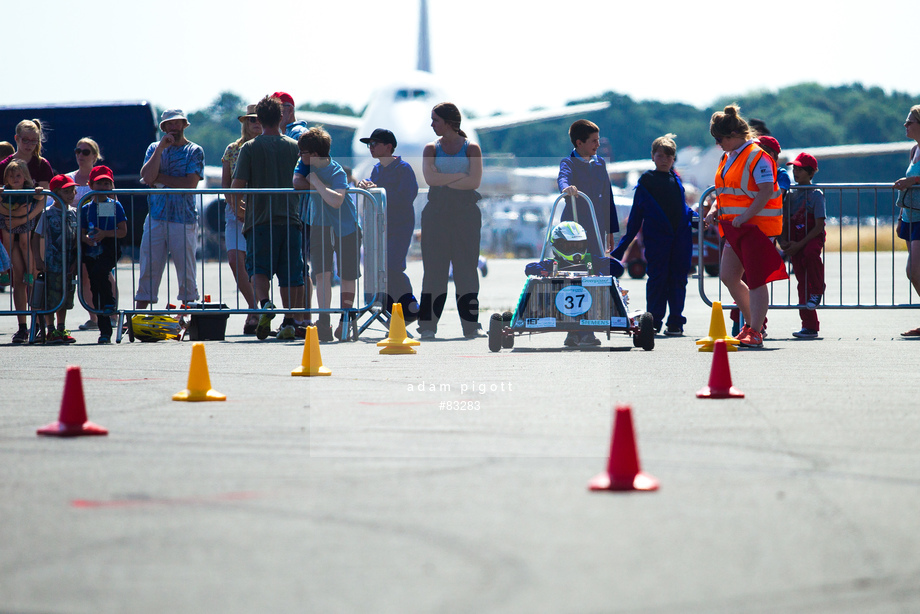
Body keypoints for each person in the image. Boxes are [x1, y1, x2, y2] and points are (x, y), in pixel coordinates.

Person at [704, 104, 786, 349]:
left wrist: (746, 215)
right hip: (735, 227)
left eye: (719, 139)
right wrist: (714, 209)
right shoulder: (727, 156)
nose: (718, 143)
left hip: (757, 228)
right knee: (728, 276)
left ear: (733, 136)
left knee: (756, 280)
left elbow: (766, 191)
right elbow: (725, 191)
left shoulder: (757, 155)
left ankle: (756, 331)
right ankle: (752, 325)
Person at [231, 95, 303, 341]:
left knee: (258, 270)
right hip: (290, 218)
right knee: (291, 274)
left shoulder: (249, 148)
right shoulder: (294, 147)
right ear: (281, 116)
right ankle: (290, 320)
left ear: (259, 119)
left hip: (260, 220)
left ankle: (265, 304)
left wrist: (237, 210)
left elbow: (236, 185)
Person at [611, 133, 692, 337]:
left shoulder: (676, 179)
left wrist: (698, 216)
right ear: (653, 156)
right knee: (657, 279)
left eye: (669, 156)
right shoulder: (647, 180)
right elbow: (636, 216)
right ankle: (654, 320)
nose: (664, 159)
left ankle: (675, 321)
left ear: (674, 158)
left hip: (680, 239)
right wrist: (621, 248)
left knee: (679, 279)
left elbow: (682, 208)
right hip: (657, 240)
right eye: (660, 155)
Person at [417, 102, 485, 340]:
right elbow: (430, 179)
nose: (432, 124)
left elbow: (474, 181)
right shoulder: (430, 148)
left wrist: (444, 178)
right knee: (433, 271)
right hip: (437, 213)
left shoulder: (471, 148)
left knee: (466, 270)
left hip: (465, 214)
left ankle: (471, 325)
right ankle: (427, 325)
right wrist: (458, 176)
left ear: (448, 122)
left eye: (435, 120)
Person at [295, 127, 360, 342]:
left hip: (346, 225)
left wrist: (316, 183)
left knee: (347, 274)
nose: (299, 156)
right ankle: (324, 321)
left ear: (314, 154)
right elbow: (296, 182)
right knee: (322, 273)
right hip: (320, 225)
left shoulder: (336, 171)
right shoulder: (304, 165)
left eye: (303, 151)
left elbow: (337, 200)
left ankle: (346, 319)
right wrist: (318, 186)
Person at [135, 109, 203, 310]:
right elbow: (147, 177)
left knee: (186, 272)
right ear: (163, 128)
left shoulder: (194, 151)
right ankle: (138, 314)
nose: (173, 127)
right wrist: (160, 150)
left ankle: (189, 314)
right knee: (148, 268)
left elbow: (190, 183)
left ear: (184, 125)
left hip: (184, 219)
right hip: (156, 216)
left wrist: (161, 179)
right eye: (169, 124)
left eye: (177, 123)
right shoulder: (154, 148)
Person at [356, 128, 420, 321]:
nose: (371, 148)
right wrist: (366, 187)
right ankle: (395, 312)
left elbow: (407, 196)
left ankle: (411, 308)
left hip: (400, 227)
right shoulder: (376, 169)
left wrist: (380, 190)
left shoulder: (403, 168)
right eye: (369, 144)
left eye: (374, 144)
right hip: (381, 227)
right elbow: (375, 192)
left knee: (392, 266)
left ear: (388, 146)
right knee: (382, 268)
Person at [65, 137, 113, 332]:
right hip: (76, 233)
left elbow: (111, 204)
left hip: (100, 232)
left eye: (85, 152)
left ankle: (111, 313)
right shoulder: (69, 178)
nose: (80, 155)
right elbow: (57, 203)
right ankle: (93, 316)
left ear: (95, 156)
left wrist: (105, 231)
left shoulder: (103, 178)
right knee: (84, 274)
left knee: (106, 272)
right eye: (78, 151)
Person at [221, 104, 261, 334]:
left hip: (262, 210)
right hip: (235, 209)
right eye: (251, 119)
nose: (255, 123)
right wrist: (235, 206)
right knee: (236, 259)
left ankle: (264, 310)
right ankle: (254, 307)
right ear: (245, 122)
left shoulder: (267, 146)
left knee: (258, 265)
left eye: (259, 119)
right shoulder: (232, 148)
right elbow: (225, 183)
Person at [557, 119, 619, 258]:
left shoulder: (600, 163)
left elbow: (608, 198)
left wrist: (610, 231)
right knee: (574, 265)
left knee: (596, 266)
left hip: (596, 226)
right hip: (573, 227)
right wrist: (566, 188)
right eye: (594, 141)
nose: (598, 144)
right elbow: (563, 177)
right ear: (579, 143)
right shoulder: (568, 162)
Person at [779, 152, 826, 339]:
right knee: (801, 284)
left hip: (811, 238)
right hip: (794, 239)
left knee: (811, 254)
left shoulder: (816, 194)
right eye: (794, 168)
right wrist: (783, 242)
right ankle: (809, 325)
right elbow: (781, 220)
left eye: (800, 169)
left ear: (810, 172)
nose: (796, 172)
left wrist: (800, 244)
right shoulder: (789, 194)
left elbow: (819, 225)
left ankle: (818, 289)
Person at [80, 166, 127, 344]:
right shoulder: (85, 208)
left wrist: (105, 234)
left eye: (107, 183)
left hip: (109, 249)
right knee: (95, 288)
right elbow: (82, 233)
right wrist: (87, 239)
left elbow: (123, 231)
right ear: (91, 184)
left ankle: (110, 302)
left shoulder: (116, 206)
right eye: (100, 182)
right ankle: (104, 331)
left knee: (101, 273)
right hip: (91, 251)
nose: (104, 186)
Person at [0, 160, 45, 343]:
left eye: (18, 176)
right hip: (8, 226)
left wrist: (39, 194)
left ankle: (39, 323)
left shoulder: (29, 190)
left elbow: (40, 200)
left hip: (25, 228)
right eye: (11, 176)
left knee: (32, 276)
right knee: (18, 279)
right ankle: (22, 327)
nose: (15, 179)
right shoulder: (5, 192)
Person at [31, 174, 80, 344]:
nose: (72, 194)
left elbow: (77, 240)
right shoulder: (48, 214)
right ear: (56, 193)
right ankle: (50, 329)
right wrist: (38, 259)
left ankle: (61, 327)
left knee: (66, 296)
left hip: (69, 265)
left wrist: (76, 262)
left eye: (73, 190)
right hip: (52, 264)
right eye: (67, 191)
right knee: (51, 297)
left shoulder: (74, 213)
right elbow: (36, 237)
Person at [895, 105, 920, 337]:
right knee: (915, 272)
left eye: (910, 121)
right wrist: (901, 217)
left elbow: (913, 181)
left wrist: (913, 179)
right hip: (910, 217)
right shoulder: (914, 150)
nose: (906, 125)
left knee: (914, 270)